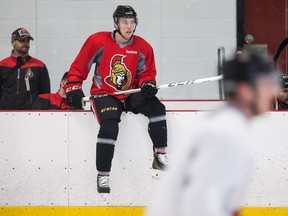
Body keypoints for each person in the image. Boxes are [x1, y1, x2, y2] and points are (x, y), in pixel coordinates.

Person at [147, 52, 278, 216]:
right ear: (244, 90)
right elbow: (200, 205)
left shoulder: (227, 122)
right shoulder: (225, 133)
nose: (273, 93)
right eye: (266, 85)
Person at [65, 5, 168, 193]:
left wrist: (147, 84)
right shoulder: (97, 41)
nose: (129, 27)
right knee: (110, 125)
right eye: (124, 22)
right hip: (104, 94)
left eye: (132, 22)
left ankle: (160, 155)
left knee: (157, 108)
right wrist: (73, 87)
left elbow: (147, 73)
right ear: (116, 24)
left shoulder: (143, 46)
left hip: (129, 93)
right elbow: (79, 67)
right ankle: (103, 175)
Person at [0, 28, 50, 110]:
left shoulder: (39, 66)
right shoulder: (2, 65)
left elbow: (45, 95)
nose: (25, 44)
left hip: (31, 115)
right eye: (22, 41)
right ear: (13, 42)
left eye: (27, 41)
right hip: (5, 115)